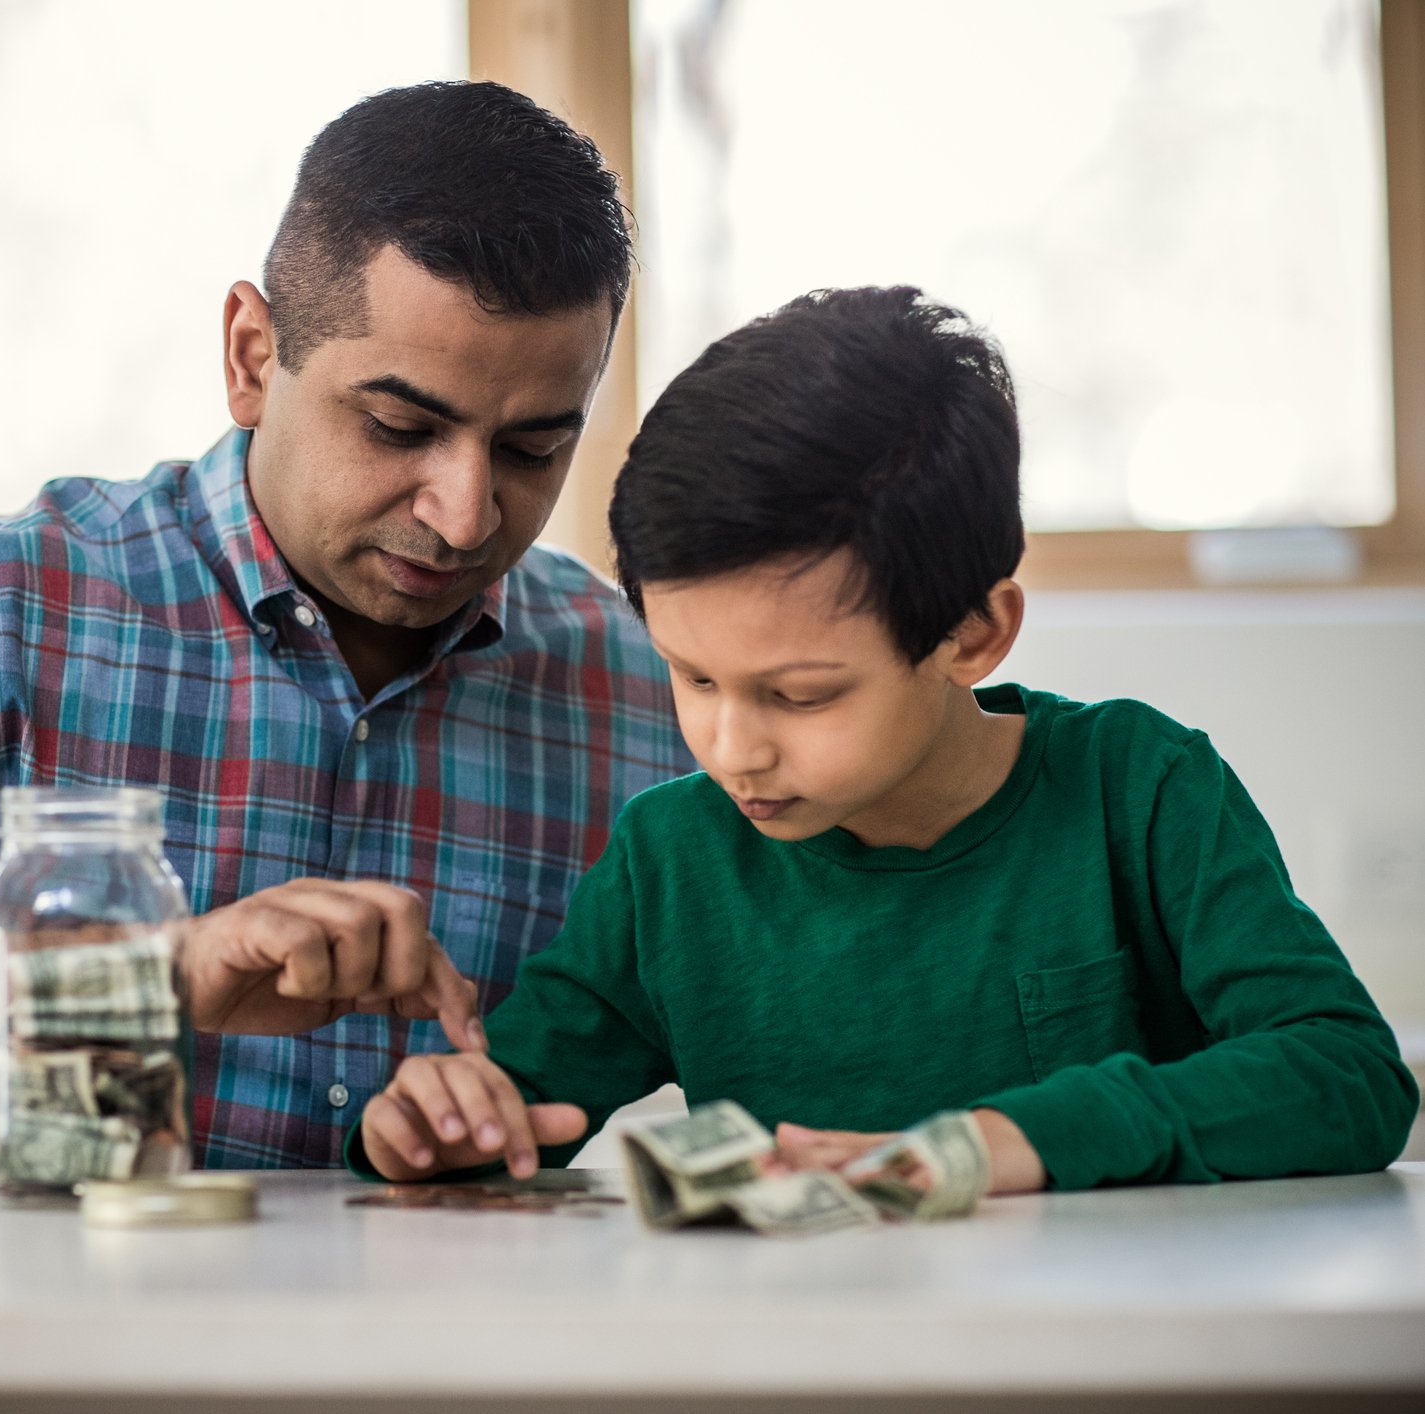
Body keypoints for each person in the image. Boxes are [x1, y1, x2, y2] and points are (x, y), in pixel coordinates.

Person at [0, 81, 694, 1170]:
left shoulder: (652, 692)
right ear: (252, 356)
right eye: (400, 425)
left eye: (533, 449)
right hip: (31, 1346)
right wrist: (142, 977)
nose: (464, 513)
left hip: (446, 1353)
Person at [354, 285, 1418, 1192]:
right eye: (694, 675)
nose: (733, 747)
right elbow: (511, 1111)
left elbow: (1349, 1073)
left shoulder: (1136, 791)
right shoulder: (670, 862)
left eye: (802, 695)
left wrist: (1010, 1143)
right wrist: (439, 1123)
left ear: (973, 633)